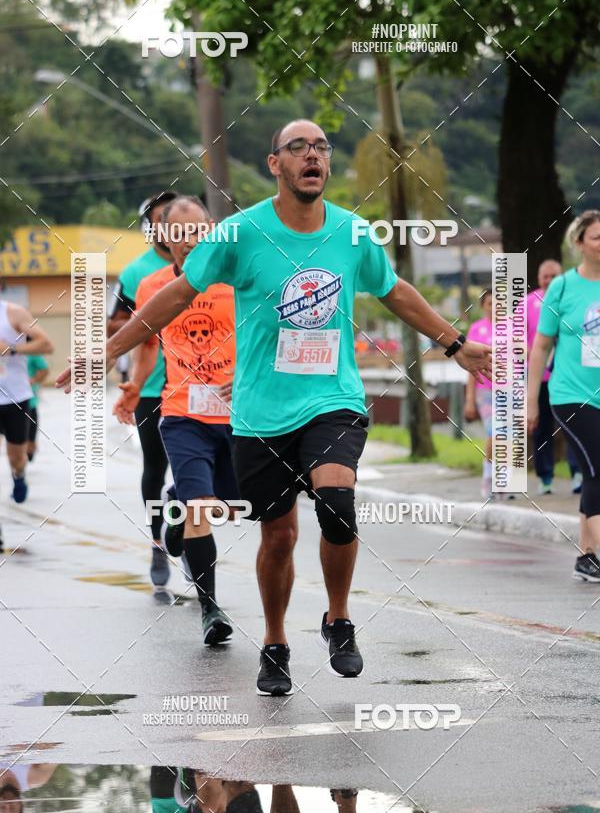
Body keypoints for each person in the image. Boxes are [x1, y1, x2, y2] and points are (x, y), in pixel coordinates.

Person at [58, 119, 491, 695]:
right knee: (279, 535)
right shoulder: (238, 234)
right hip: (260, 413)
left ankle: (339, 619)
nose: (312, 155)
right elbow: (175, 296)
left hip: (331, 398)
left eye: (320, 148)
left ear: (326, 166)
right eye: (298, 148)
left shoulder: (353, 233)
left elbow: (396, 292)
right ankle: (276, 640)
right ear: (275, 165)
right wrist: (103, 351)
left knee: (337, 501)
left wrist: (455, 345)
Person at [113, 196, 236, 645]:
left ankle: (175, 506)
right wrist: (133, 384)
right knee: (202, 507)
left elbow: (262, 336)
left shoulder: (237, 281)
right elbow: (146, 343)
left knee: (230, 503)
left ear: (212, 230)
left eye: (197, 231)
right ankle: (211, 610)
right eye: (178, 233)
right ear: (164, 238)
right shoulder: (150, 286)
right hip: (181, 412)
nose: (188, 241)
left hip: (237, 416)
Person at [108, 191, 178, 587]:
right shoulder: (136, 273)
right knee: (156, 465)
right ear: (148, 227)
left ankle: (182, 527)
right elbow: (115, 323)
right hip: (151, 385)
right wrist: (148, 322)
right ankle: (157, 542)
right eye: (160, 218)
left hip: (200, 384)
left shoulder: (202, 263)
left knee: (197, 470)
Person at [528, 210, 600, 582]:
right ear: (579, 244)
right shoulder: (563, 287)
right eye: (597, 237)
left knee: (592, 472)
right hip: (571, 395)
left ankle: (587, 557)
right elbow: (540, 346)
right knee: (597, 468)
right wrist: (530, 400)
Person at [526, 260, 582, 495]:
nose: (549, 280)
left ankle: (578, 473)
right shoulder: (527, 303)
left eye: (553, 276)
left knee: (574, 426)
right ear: (539, 277)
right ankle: (545, 477)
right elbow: (515, 336)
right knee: (541, 428)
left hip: (570, 377)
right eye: (545, 276)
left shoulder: (574, 297)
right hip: (541, 377)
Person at [0, 299, 53, 504]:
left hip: (16, 398)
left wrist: (11, 349)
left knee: (17, 458)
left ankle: (19, 475)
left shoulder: (14, 313)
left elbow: (46, 344)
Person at [465, 290, 495, 499]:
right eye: (490, 303)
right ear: (483, 306)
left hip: (510, 389)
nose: (495, 307)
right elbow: (470, 367)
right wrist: (469, 400)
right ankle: (487, 477)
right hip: (485, 391)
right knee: (494, 431)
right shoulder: (476, 330)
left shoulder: (511, 328)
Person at [25, 354, 49, 462]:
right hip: (6, 402)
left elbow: (45, 370)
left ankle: (29, 451)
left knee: (30, 441)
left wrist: (33, 381)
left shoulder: (31, 351)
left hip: (29, 403)